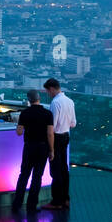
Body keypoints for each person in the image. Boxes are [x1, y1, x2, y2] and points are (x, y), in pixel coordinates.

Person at [11, 89, 53, 213]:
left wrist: (18, 125)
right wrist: (52, 150)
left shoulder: (24, 113)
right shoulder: (47, 113)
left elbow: (19, 132)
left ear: (29, 100)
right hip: (43, 147)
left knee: (24, 175)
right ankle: (31, 206)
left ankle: (17, 204)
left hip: (29, 147)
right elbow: (50, 133)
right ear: (39, 98)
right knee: (37, 176)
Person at [41, 78, 76, 210]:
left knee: (55, 171)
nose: (48, 94)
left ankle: (56, 201)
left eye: (47, 91)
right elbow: (73, 123)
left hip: (56, 138)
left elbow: (52, 126)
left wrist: (50, 148)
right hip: (66, 136)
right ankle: (66, 199)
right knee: (63, 169)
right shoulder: (70, 101)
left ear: (51, 89)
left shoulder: (55, 103)